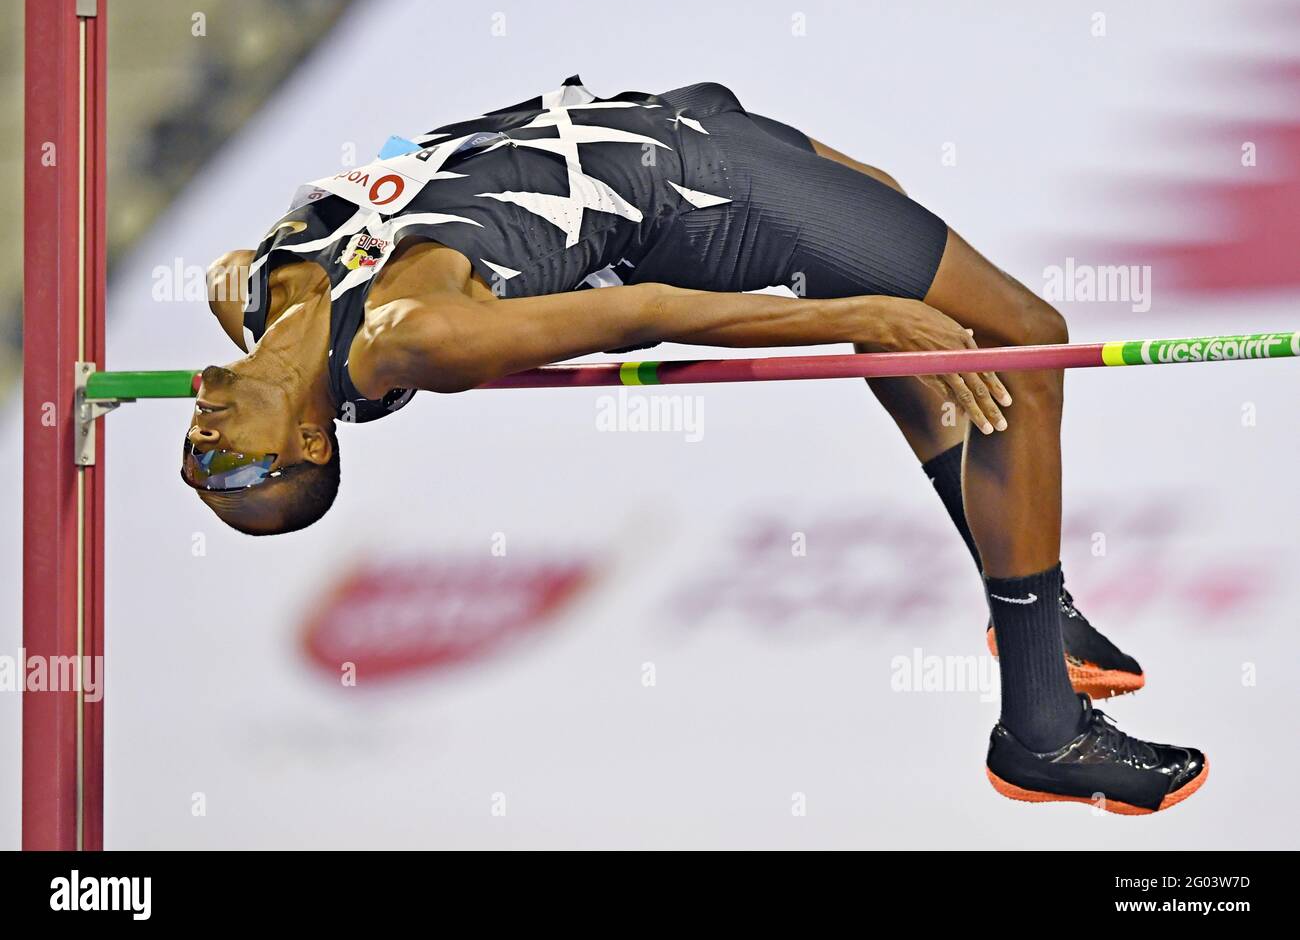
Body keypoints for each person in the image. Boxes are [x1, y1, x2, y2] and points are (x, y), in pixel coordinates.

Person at [190, 77, 1205, 813]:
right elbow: (645, 313)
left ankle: (1041, 617)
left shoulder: (256, 289)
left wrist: (251, 265)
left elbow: (336, 232)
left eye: (200, 464)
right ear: (315, 437)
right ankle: (1042, 725)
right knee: (1026, 339)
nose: (203, 445)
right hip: (702, 195)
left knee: (882, 194)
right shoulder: (413, 336)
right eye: (236, 469)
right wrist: (858, 317)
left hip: (655, 117)